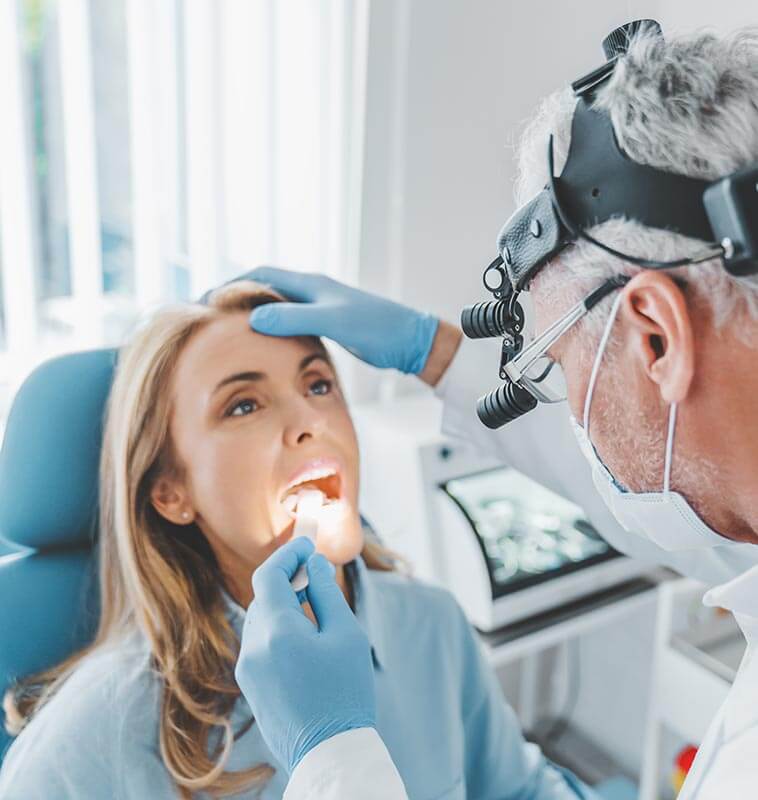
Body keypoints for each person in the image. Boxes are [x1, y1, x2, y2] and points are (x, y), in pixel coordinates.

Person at [232, 26, 758, 800]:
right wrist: (436, 353)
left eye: (557, 363)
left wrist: (333, 759)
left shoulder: (428, 629)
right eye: (241, 403)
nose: (570, 411)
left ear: (656, 336)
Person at [0, 281, 593, 799]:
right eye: (243, 405)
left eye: (318, 385)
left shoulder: (433, 625)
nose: (313, 422)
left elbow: (520, 792)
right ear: (171, 492)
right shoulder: (95, 732)